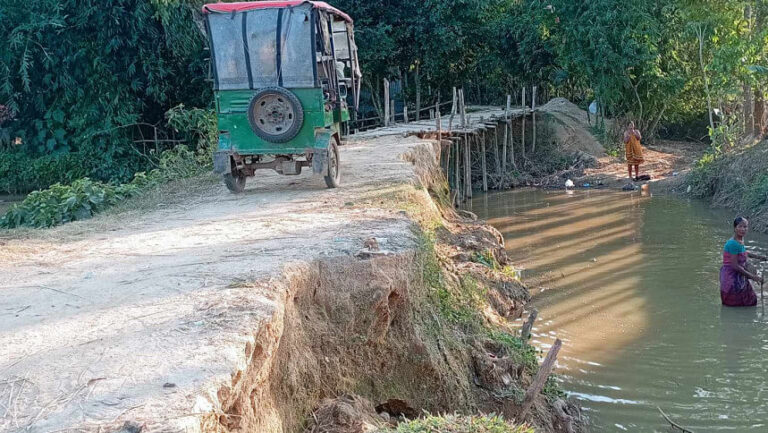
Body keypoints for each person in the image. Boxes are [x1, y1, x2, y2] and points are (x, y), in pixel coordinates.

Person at [720, 217, 767, 306]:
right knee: (736, 304)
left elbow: (743, 252)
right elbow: (734, 265)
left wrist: (760, 257)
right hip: (732, 278)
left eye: (745, 227)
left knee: (750, 301)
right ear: (735, 228)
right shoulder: (733, 243)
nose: (743, 229)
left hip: (739, 274)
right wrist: (753, 277)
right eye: (740, 226)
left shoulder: (740, 239)